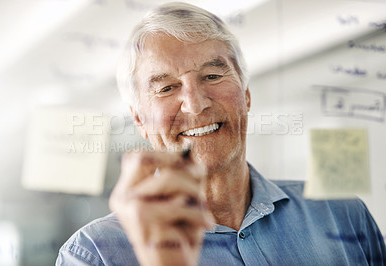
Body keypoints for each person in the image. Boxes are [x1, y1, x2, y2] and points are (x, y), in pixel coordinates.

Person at [56, 2, 386, 265]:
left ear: (245, 93)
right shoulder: (92, 255)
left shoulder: (343, 214)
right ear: (139, 119)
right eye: (168, 87)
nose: (195, 105)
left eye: (213, 75)